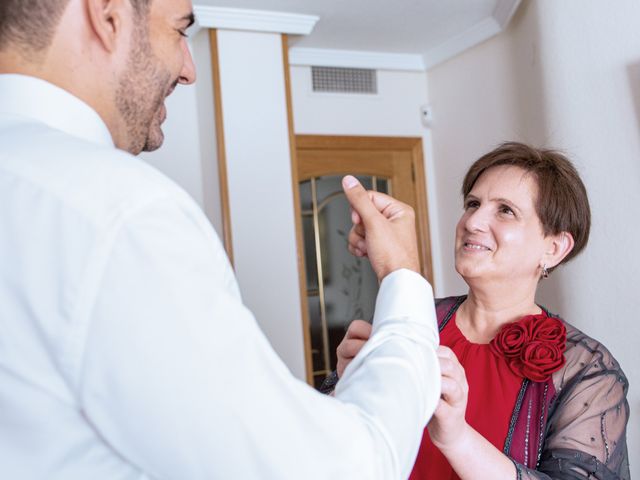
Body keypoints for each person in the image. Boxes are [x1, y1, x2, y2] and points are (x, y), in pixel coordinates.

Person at [0, 0, 441, 478]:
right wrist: (403, 282)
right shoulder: (117, 212)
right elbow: (345, 469)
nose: (188, 70)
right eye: (178, 31)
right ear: (107, 16)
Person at [329, 142, 630, 479]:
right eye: (472, 204)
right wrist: (347, 387)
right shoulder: (408, 320)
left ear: (554, 247)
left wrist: (456, 438)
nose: (472, 221)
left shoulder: (587, 371)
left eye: (505, 210)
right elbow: (325, 452)